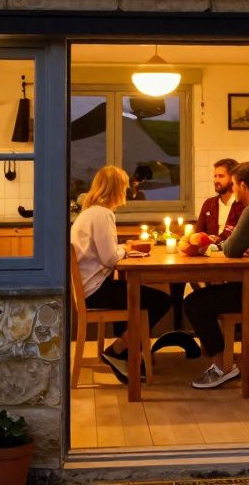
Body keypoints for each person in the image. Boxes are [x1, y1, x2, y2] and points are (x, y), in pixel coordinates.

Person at [183, 161, 249, 389]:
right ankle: (223, 365)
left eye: (233, 184)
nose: (232, 189)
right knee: (202, 300)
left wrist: (219, 247)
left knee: (194, 303)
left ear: (241, 185)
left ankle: (223, 368)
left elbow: (230, 249)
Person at [71, 165, 172, 384]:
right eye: (124, 186)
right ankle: (119, 350)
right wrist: (125, 249)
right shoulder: (102, 214)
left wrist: (123, 247)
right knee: (161, 301)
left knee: (137, 296)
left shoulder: (90, 212)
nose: (126, 190)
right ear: (116, 188)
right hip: (96, 290)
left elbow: (106, 254)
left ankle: (127, 352)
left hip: (89, 287)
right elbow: (110, 259)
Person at [193, 158, 244, 240]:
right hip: (209, 252)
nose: (216, 180)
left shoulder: (242, 204)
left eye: (221, 176)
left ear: (233, 178)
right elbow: (198, 235)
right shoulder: (208, 203)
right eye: (215, 176)